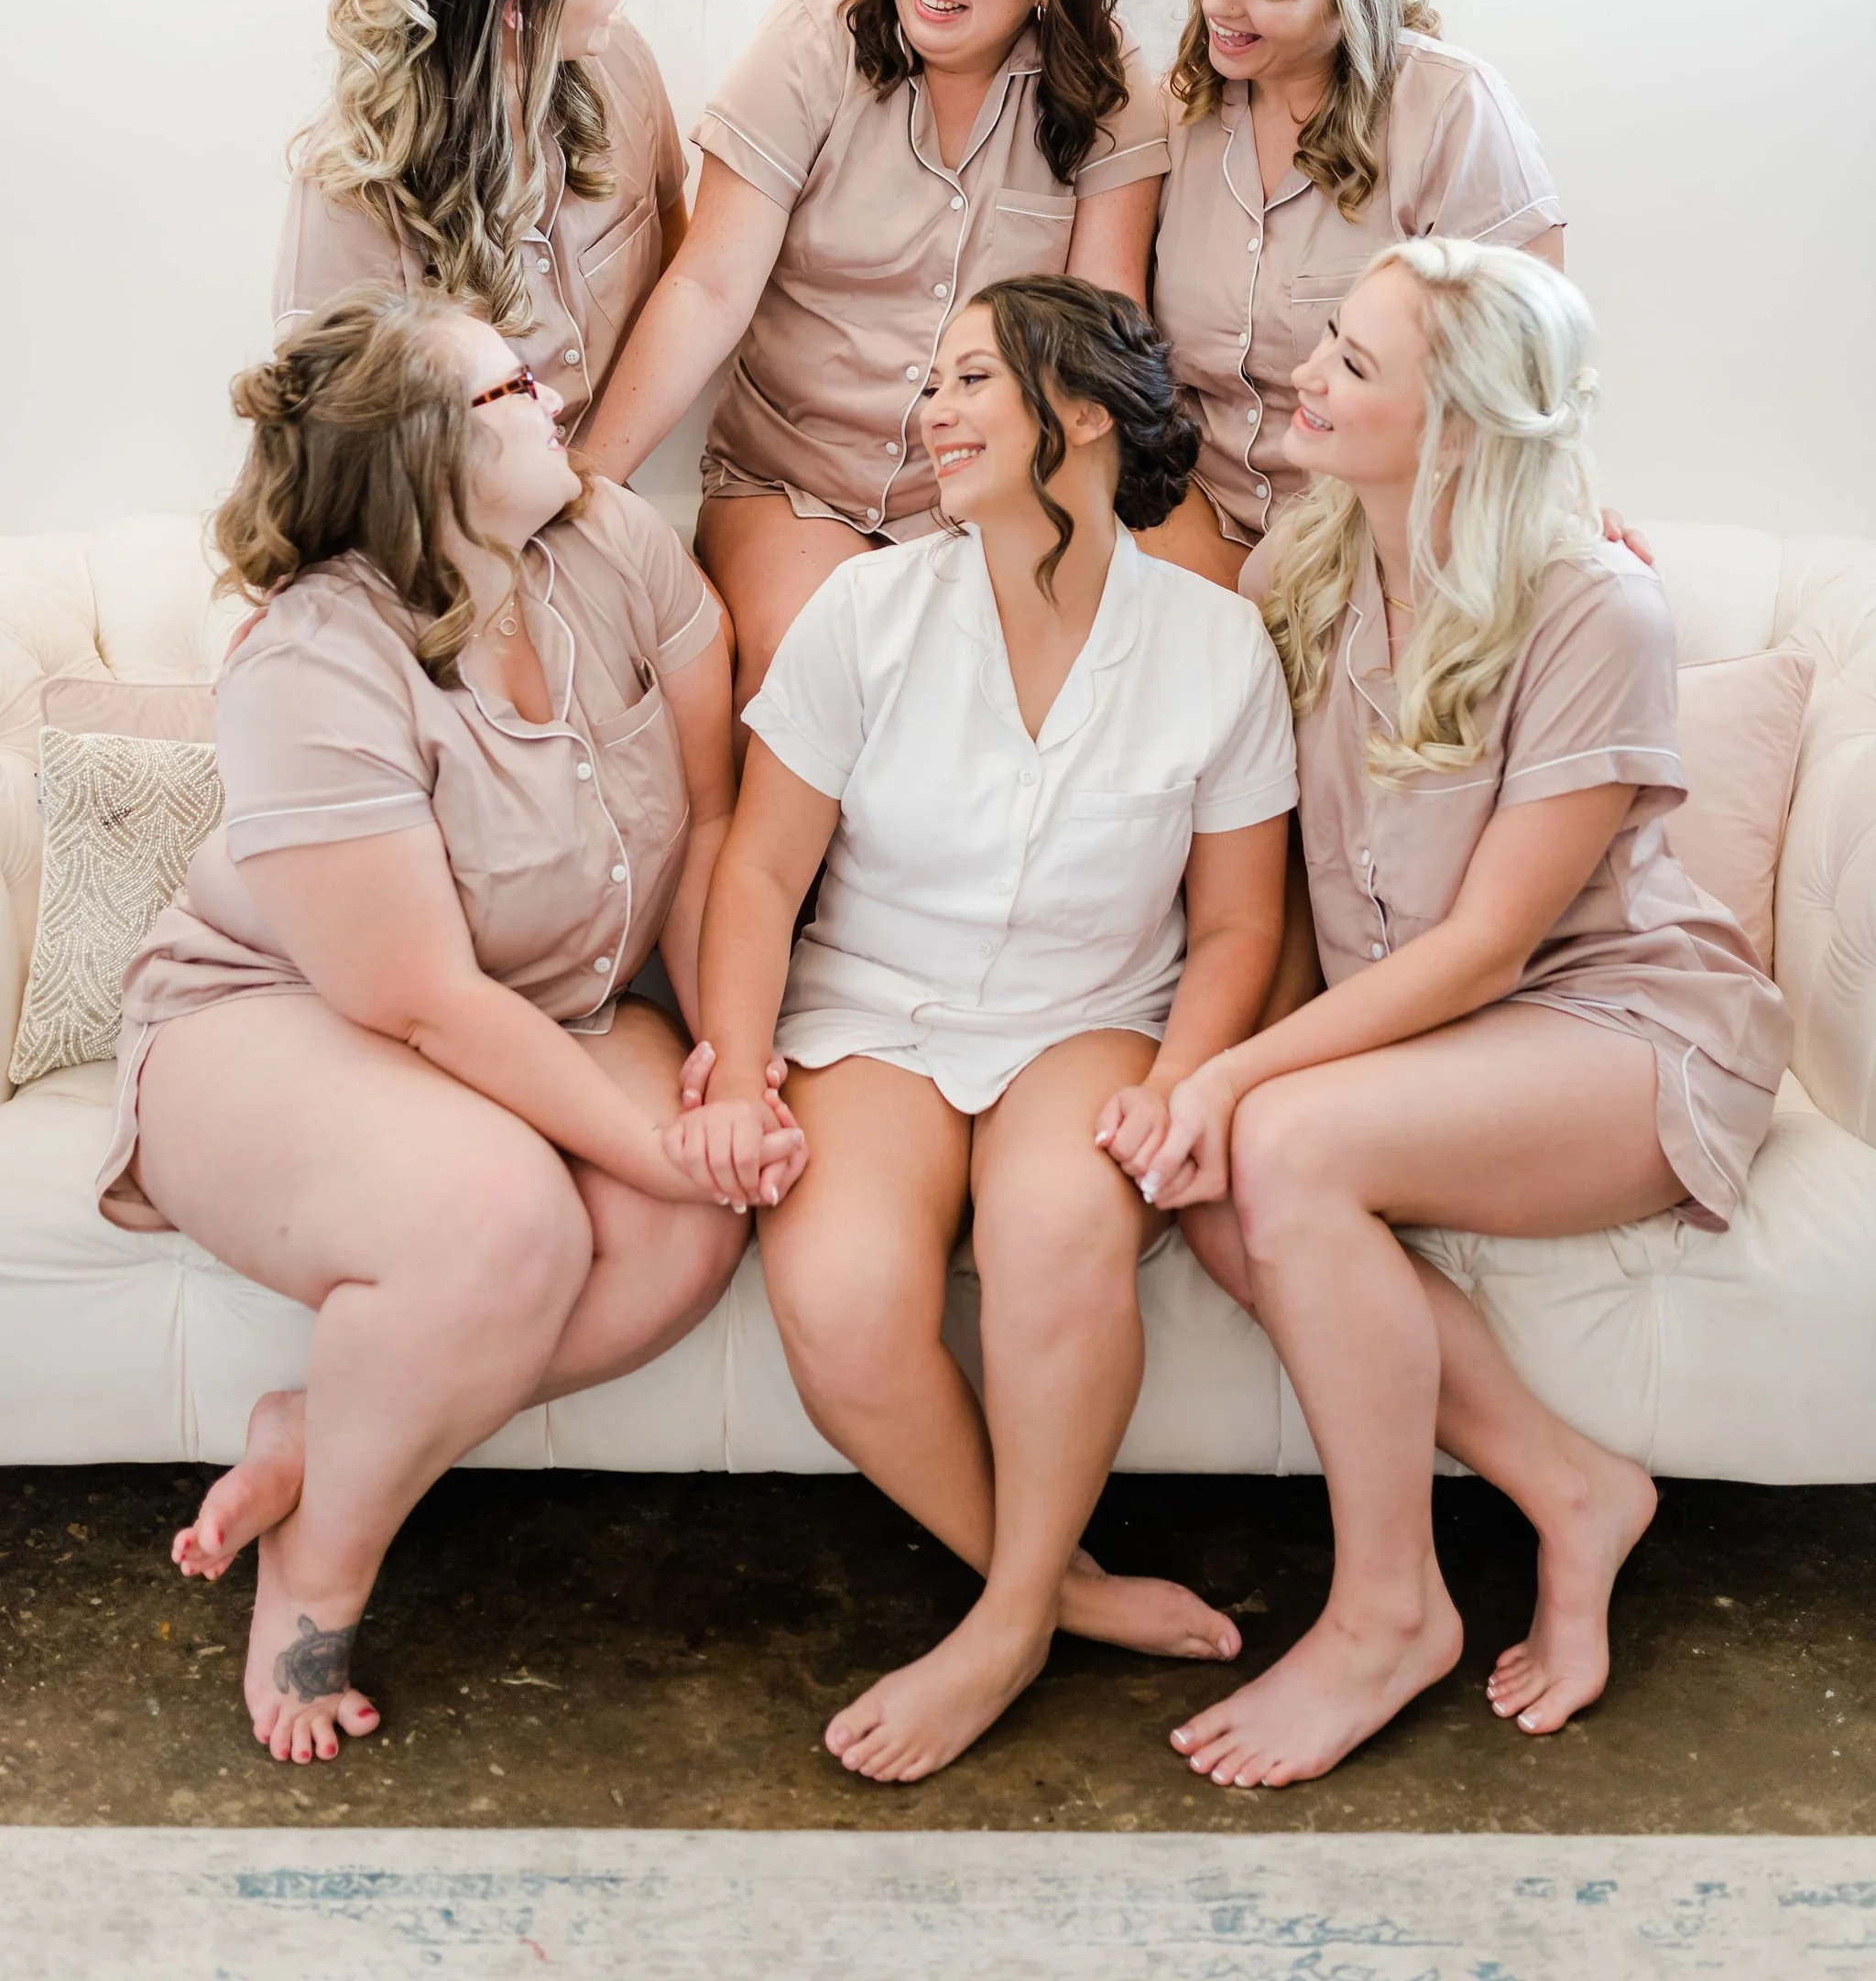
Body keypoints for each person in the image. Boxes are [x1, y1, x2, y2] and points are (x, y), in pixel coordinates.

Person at [1107, 238, 1792, 1790]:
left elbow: (1488, 945)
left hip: (1619, 1026)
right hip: (1424, 1035)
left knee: (1271, 1142)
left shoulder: (1593, 605)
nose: (1306, 376)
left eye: (1353, 362)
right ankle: (1568, 1486)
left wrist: (1240, 1082)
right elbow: (1267, 885)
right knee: (1219, 1177)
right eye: (1326, 343)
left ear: (1465, 426)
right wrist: (1192, 1076)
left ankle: (1384, 1611)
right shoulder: (1306, 561)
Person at [99, 288, 798, 1767]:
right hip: (279, 1009)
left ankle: (317, 1428)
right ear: (426, 455)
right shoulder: (314, 657)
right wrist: (660, 1143)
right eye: (508, 389)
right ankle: (317, 1578)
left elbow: (719, 813)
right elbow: (414, 994)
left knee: (688, 1235)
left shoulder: (613, 543)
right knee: (506, 1226)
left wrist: (726, 1076)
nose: (551, 393)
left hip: (545, 1004)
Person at [675, 278, 1298, 1783]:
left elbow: (1232, 929)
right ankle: (1064, 1590)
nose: (931, 412)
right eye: (930, 383)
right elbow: (757, 869)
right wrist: (741, 1068)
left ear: (1079, 413)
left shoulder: (1216, 648)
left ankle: (1003, 1624)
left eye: (970, 380)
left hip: (1091, 1014)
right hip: (870, 1004)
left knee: (1054, 1235)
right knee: (838, 1295)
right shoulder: (867, 610)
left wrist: (1179, 1083)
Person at [578, 0, 1172, 724]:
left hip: (990, 487)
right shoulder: (815, 40)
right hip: (796, 481)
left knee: (998, 693)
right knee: (807, 655)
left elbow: (1098, 329)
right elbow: (707, 285)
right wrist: (585, 488)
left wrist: (1075, 534)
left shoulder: (1107, 83)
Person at [1141, 0, 1566, 591]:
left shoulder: (1453, 112)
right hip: (1186, 525)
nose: (1217, 1)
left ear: (1349, 5)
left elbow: (1525, 387)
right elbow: (1124, 364)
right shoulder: (1175, 110)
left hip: (1379, 549)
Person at [276, 0, 688, 437]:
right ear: (519, 7)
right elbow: (334, 443)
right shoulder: (355, 184)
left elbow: (676, 258)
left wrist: (598, 485)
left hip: (594, 487)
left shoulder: (623, 64)